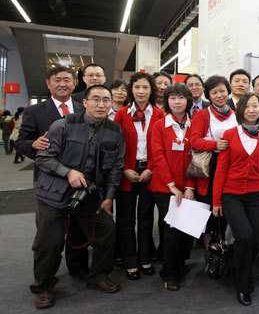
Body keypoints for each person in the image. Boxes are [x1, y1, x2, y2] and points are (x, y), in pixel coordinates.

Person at [31, 85, 125, 309]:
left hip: (87, 194)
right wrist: (68, 172)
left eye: (106, 100)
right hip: (53, 193)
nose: (101, 105)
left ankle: (98, 276)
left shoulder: (114, 130)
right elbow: (43, 158)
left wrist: (109, 197)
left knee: (106, 229)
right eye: (96, 100)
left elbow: (116, 168)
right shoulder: (63, 125)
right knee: (49, 242)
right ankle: (43, 286)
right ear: (84, 102)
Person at [15, 66, 89, 280]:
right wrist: (33, 143)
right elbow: (20, 142)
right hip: (50, 184)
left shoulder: (82, 107)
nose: (62, 84)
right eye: (57, 80)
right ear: (48, 84)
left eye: (67, 79)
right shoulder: (35, 111)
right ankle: (44, 283)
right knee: (49, 238)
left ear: (75, 84)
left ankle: (79, 270)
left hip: (79, 181)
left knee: (78, 231)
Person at [212, 93, 259, 306]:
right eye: (247, 106)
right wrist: (216, 201)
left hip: (256, 193)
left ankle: (236, 263)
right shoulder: (230, 134)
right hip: (231, 195)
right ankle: (243, 285)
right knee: (245, 236)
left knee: (257, 237)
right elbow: (221, 170)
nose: (251, 110)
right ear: (241, 111)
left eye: (255, 106)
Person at [114, 72, 165, 280]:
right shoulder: (122, 114)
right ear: (130, 90)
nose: (141, 92)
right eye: (137, 87)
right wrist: (125, 168)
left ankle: (145, 259)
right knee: (126, 220)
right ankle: (129, 261)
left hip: (150, 172)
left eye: (145, 87)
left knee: (145, 219)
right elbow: (117, 147)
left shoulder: (159, 115)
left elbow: (160, 147)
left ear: (151, 90)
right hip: (127, 170)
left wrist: (150, 169)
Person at [150, 84, 196, 291]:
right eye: (172, 98)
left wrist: (189, 187)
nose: (176, 102)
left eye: (180, 98)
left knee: (185, 229)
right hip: (163, 187)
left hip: (188, 186)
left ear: (188, 100)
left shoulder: (195, 125)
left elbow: (197, 159)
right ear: (166, 101)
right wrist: (172, 186)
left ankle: (179, 265)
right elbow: (158, 157)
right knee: (170, 231)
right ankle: (169, 273)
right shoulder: (159, 126)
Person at [189, 75, 237, 252]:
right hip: (210, 164)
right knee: (208, 206)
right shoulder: (203, 114)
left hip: (231, 165)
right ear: (208, 95)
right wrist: (215, 145)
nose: (219, 95)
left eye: (222, 91)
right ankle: (210, 250)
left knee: (227, 205)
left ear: (228, 91)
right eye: (214, 92)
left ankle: (226, 245)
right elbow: (193, 141)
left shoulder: (235, 114)